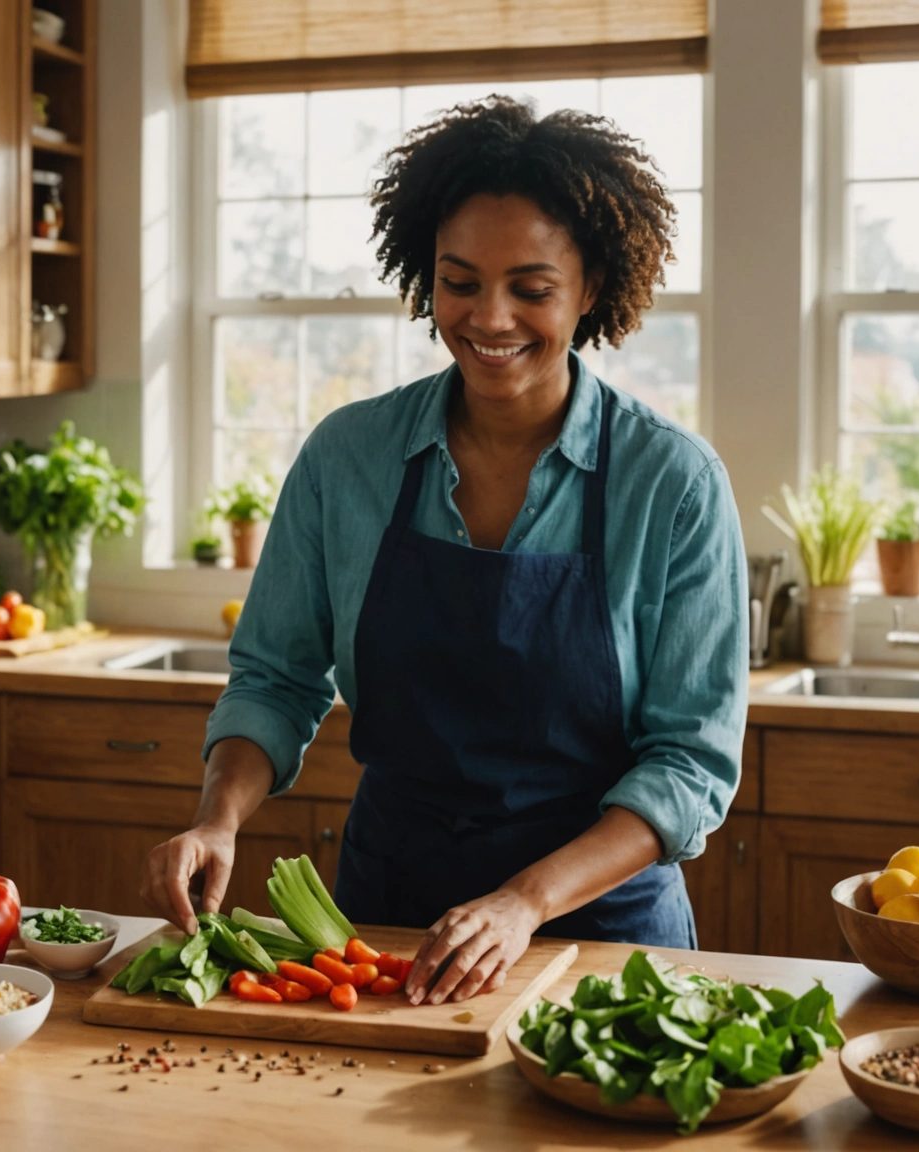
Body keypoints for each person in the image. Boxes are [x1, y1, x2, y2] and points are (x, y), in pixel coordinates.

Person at [143, 96, 748, 1005]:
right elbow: (277, 677)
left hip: (600, 939)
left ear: (591, 289)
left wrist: (522, 901)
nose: (490, 317)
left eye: (532, 289)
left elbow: (689, 765)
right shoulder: (347, 458)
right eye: (460, 282)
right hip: (387, 926)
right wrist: (217, 820)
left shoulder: (674, 485)